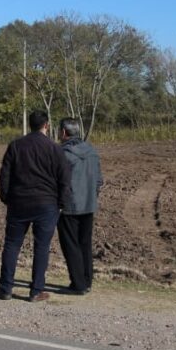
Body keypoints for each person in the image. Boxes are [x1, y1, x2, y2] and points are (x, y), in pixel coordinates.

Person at [0, 110, 70, 302]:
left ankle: (5, 288)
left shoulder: (16, 146)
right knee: (41, 247)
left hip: (19, 202)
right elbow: (64, 179)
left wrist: (6, 197)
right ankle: (36, 291)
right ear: (47, 125)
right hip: (46, 204)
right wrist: (62, 203)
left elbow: (5, 174)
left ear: (29, 124)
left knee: (12, 245)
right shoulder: (55, 149)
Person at [56, 117, 103, 294]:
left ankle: (78, 284)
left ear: (63, 132)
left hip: (69, 207)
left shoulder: (62, 154)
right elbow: (99, 180)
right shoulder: (92, 151)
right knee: (85, 244)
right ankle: (87, 280)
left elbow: (59, 180)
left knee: (70, 245)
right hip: (89, 205)